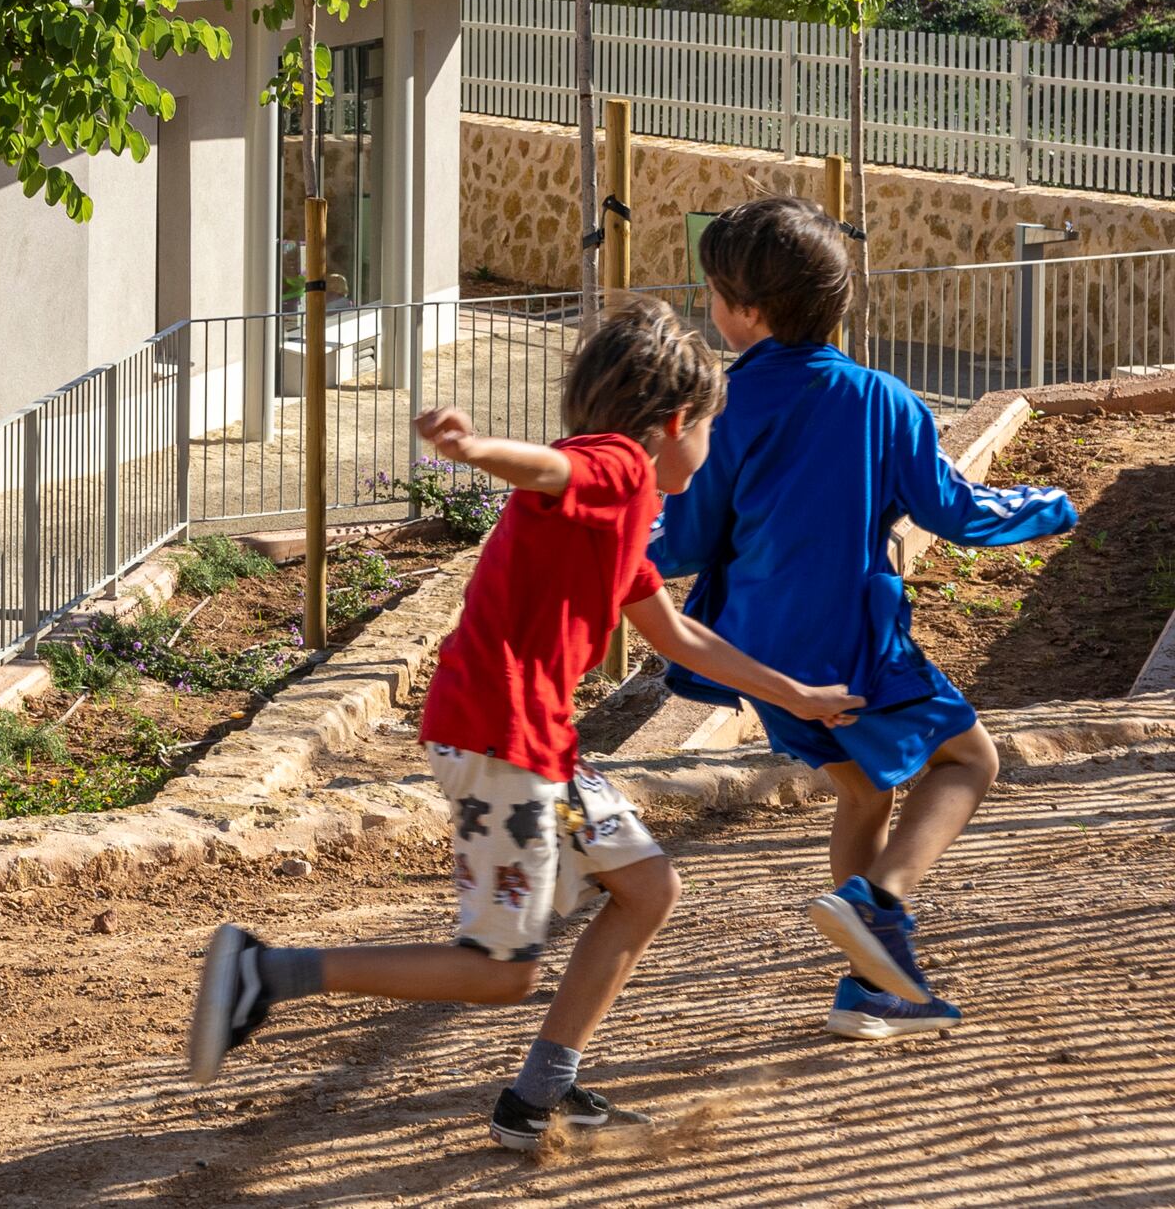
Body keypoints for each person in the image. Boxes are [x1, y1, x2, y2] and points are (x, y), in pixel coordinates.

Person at [189, 300, 864, 1152]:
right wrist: (474, 452)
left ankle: (540, 1091)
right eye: (711, 430)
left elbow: (678, 633)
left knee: (648, 886)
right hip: (501, 739)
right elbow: (552, 468)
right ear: (677, 421)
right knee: (499, 971)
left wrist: (796, 694)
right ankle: (267, 970)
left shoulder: (625, 517)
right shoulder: (617, 464)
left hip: (541, 742)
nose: (710, 449)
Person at [654, 197, 1076, 1037]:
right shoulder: (884, 399)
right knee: (970, 761)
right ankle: (881, 898)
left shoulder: (724, 405)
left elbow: (688, 537)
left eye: (712, 292)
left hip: (761, 655)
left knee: (863, 789)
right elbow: (956, 513)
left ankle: (868, 985)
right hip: (855, 640)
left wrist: (596, 541)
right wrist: (1049, 505)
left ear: (747, 311)